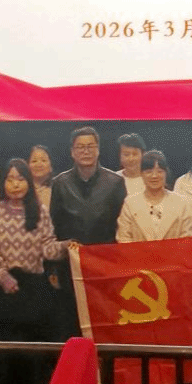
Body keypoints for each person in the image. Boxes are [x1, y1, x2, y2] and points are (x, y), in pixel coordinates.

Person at [0, 158, 71, 384]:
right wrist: (4, 278)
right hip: (1, 291)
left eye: (20, 179)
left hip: (32, 291)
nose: (15, 184)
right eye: (10, 179)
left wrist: (67, 247)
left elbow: (47, 247)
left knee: (32, 354)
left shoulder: (39, 211)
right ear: (4, 183)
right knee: (5, 355)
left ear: (28, 183)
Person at [114, 150, 192, 384]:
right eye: (149, 170)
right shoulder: (131, 203)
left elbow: (190, 240)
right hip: (140, 284)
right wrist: (143, 261)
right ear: (141, 173)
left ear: (166, 173)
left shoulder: (182, 203)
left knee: (170, 343)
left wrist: (168, 261)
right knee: (143, 343)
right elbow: (123, 240)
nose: (154, 175)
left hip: (172, 284)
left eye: (159, 170)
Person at [50, 127, 126, 337]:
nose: (86, 151)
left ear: (98, 149)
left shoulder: (115, 182)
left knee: (105, 322)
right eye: (80, 147)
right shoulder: (60, 183)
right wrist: (54, 267)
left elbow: (121, 226)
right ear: (72, 152)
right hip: (70, 265)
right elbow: (53, 227)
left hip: (104, 265)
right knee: (71, 324)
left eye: (90, 146)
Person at [27, 145, 55, 211]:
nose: (39, 164)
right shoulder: (22, 191)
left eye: (43, 160)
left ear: (51, 167)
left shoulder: (58, 190)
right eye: (34, 161)